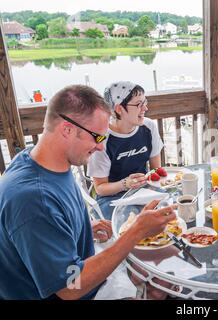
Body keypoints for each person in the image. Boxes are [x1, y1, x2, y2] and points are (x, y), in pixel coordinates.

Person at [0, 85, 176, 300]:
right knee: (160, 288)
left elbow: (47, 228)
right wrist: (135, 232)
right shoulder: (34, 200)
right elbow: (69, 287)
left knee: (161, 282)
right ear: (67, 129)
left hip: (83, 261)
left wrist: (80, 227)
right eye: (97, 137)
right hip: (73, 291)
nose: (102, 148)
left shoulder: (37, 159)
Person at [87, 81, 164, 220]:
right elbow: (100, 188)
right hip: (112, 198)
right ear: (119, 109)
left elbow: (156, 170)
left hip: (144, 191)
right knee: (133, 224)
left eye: (145, 102)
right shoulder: (102, 139)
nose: (145, 108)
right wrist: (125, 184)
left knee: (171, 212)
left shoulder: (149, 127)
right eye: (138, 104)